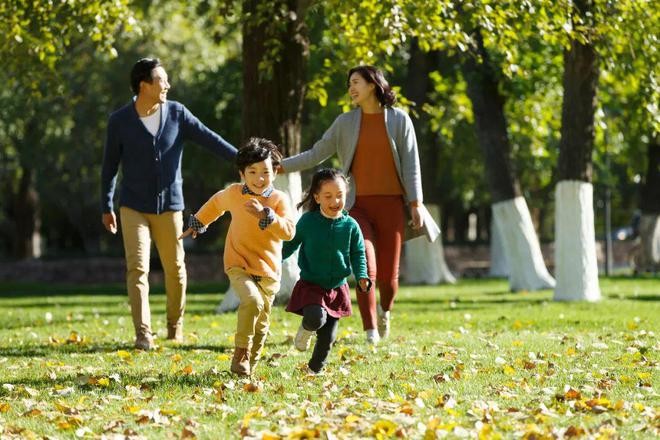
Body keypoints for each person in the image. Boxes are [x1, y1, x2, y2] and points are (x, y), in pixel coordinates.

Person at [281, 65, 434, 344]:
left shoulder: (400, 120)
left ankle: (386, 310)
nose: (351, 89)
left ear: (373, 85)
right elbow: (317, 153)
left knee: (388, 280)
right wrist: (281, 167)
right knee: (365, 266)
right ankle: (370, 330)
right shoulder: (345, 123)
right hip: (357, 208)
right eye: (349, 84)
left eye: (356, 83)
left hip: (391, 207)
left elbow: (412, 165)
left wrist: (416, 203)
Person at [101, 57, 237, 350]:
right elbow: (109, 167)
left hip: (170, 206)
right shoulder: (120, 121)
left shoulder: (177, 113)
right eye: (162, 80)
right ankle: (143, 334)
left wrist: (243, 159)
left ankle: (175, 326)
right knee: (137, 268)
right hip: (132, 206)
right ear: (144, 85)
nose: (167, 85)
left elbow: (210, 139)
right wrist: (106, 205)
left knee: (175, 268)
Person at [180, 138, 296, 376]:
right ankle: (240, 354)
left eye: (265, 172)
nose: (259, 178)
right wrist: (198, 223)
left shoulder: (279, 200)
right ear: (242, 173)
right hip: (238, 263)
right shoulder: (234, 193)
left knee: (262, 325)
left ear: (274, 172)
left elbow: (289, 232)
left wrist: (268, 215)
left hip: (269, 270)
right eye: (252, 172)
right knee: (252, 302)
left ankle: (248, 368)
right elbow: (215, 205)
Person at [283, 169, 371, 374]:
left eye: (340, 195)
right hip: (312, 284)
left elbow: (358, 253)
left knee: (328, 337)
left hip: (337, 287)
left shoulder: (351, 225)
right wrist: (272, 260)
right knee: (316, 318)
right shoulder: (308, 222)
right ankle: (306, 329)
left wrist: (362, 276)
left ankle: (314, 370)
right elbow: (290, 245)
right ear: (317, 197)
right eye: (328, 196)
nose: (335, 201)